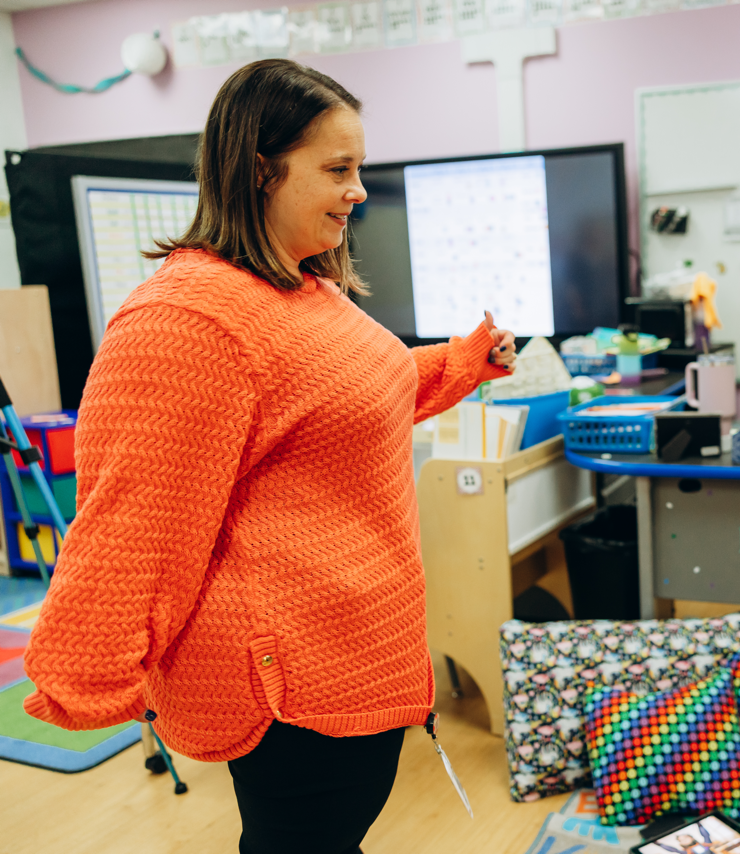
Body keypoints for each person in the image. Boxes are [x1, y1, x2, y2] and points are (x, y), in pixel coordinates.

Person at [22, 59, 516, 854]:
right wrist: (89, 675)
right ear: (260, 170)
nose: (359, 191)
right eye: (339, 170)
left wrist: (462, 361)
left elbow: (354, 393)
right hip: (289, 686)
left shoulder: (302, 287)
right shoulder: (187, 321)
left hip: (356, 655)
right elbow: (134, 520)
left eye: (359, 169)